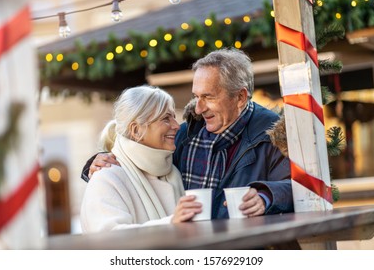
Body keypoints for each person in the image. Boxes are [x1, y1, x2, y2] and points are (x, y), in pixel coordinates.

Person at [82, 48, 294, 219]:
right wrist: (97, 162)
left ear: (240, 97)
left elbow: (301, 186)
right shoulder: (186, 135)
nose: (199, 108)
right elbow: (142, 159)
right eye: (196, 96)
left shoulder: (274, 133)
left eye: (208, 97)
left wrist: (266, 196)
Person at [80, 85, 202, 233]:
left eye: (173, 117)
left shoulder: (172, 172)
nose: (176, 126)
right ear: (137, 130)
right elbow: (108, 240)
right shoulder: (106, 178)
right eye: (165, 119)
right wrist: (171, 224)